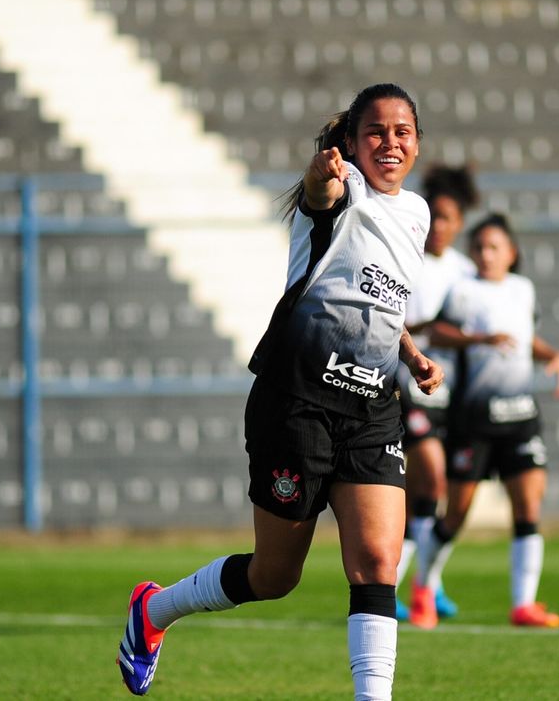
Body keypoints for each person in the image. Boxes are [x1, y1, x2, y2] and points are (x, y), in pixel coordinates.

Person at [116, 83, 443, 700]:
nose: (390, 143)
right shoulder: (340, 190)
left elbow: (379, 299)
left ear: (418, 141)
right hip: (298, 401)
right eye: (376, 132)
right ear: (349, 141)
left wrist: (414, 355)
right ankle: (154, 610)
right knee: (274, 575)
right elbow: (321, 196)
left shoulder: (417, 213)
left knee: (378, 564)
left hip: (372, 406)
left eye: (403, 132)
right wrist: (321, 174)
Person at [414, 213, 559, 629]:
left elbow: (522, 339)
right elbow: (437, 333)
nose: (485, 254)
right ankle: (423, 590)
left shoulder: (523, 290)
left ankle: (524, 604)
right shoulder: (463, 291)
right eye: (479, 247)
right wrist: (479, 339)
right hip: (475, 418)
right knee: (456, 515)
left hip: (520, 415)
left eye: (493, 247)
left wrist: (552, 354)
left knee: (529, 506)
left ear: (511, 253)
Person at [390, 164, 479, 626]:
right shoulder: (407, 260)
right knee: (432, 481)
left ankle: (426, 584)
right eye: (435, 216)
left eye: (449, 218)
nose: (440, 226)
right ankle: (416, 586)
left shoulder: (466, 271)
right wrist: (433, 334)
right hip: (409, 384)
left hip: (453, 394)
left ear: (460, 222)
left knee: (423, 496)